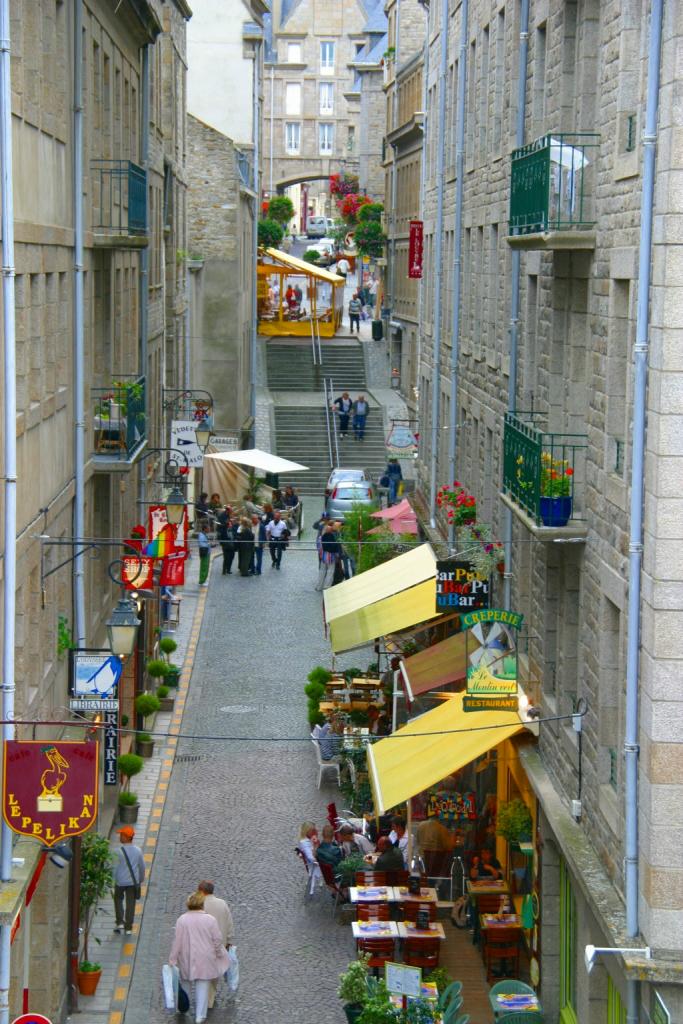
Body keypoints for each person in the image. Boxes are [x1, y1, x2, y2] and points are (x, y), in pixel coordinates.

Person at [169, 891, 230, 1024]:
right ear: (202, 904)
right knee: (203, 985)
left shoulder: (182, 920)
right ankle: (200, 1016)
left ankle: (184, 1007)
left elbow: (177, 942)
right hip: (206, 958)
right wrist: (219, 954)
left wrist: (172, 959)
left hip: (187, 956)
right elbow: (217, 940)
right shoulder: (210, 920)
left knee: (185, 983)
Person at [197, 881, 235, 1010]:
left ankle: (203, 999)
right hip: (220, 945)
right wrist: (229, 941)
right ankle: (209, 999)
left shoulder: (199, 905)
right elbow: (229, 924)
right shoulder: (222, 904)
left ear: (202, 891)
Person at [112, 826, 145, 935]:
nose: (120, 837)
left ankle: (120, 922)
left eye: (121, 835)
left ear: (126, 837)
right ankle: (128, 928)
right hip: (132, 882)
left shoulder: (118, 851)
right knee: (131, 904)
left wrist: (112, 879)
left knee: (118, 899)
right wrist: (140, 879)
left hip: (120, 882)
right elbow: (142, 866)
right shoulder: (138, 851)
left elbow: (114, 867)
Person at [315, 522, 342, 591]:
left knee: (322, 572)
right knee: (330, 572)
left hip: (323, 558)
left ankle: (319, 586)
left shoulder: (320, 538)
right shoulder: (333, 537)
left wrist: (321, 555)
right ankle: (326, 587)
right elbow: (335, 547)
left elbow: (318, 548)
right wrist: (337, 556)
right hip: (331, 558)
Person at [216, 506, 235, 576]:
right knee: (226, 555)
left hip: (229, 538)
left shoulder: (228, 515)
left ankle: (228, 569)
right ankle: (224, 570)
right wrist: (227, 524)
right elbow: (220, 526)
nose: (231, 512)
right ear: (228, 510)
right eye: (231, 511)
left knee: (231, 555)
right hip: (224, 538)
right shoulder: (222, 516)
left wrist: (231, 523)